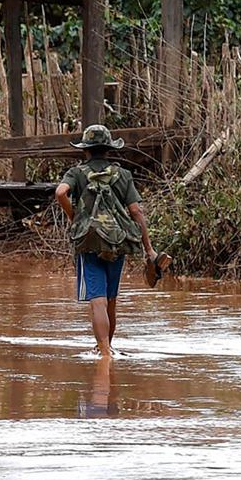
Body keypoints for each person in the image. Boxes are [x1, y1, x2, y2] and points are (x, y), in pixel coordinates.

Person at [54, 124, 165, 358]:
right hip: (117, 241)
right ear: (108, 149)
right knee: (111, 299)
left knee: (97, 300)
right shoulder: (122, 174)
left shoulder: (76, 173)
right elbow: (136, 211)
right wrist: (149, 249)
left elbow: (60, 193)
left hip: (88, 241)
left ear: (86, 150)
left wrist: (74, 217)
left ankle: (103, 351)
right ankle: (108, 348)